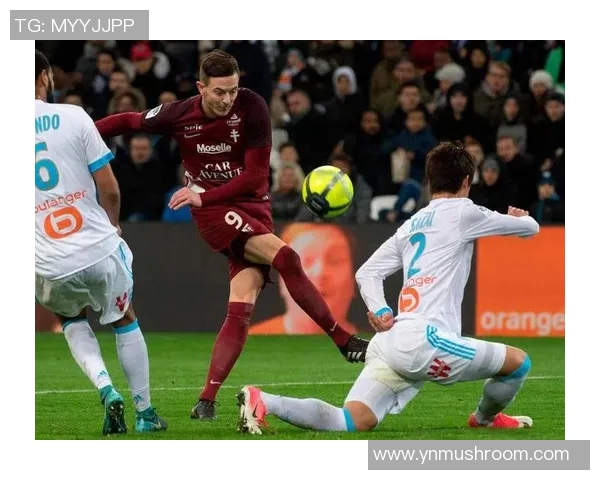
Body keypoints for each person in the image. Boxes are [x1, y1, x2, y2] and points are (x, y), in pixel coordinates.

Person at [94, 49, 369, 421]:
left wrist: (203, 194)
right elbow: (129, 120)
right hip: (213, 213)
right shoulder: (179, 114)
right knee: (287, 257)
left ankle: (206, 400)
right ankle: (343, 340)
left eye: (233, 90)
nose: (227, 99)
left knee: (241, 306)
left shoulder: (252, 107)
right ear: (201, 88)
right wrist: (80, 132)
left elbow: (255, 176)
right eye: (219, 92)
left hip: (254, 207)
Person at [236, 141, 539, 435]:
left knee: (351, 420)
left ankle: (264, 401)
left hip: (391, 340)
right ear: (466, 181)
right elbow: (530, 228)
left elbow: (368, 273)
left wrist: (381, 310)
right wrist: (518, 219)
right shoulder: (464, 211)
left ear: (429, 181)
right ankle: (485, 420)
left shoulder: (411, 225)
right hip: (426, 340)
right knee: (518, 364)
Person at [34, 50, 167, 436]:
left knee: (71, 319)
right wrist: (113, 227)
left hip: (47, 259)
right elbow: (109, 188)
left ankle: (107, 389)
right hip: (96, 246)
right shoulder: (75, 117)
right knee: (124, 317)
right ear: (44, 77)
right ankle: (145, 413)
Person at [250, 223, 358, 335]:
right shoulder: (253, 338)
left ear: (353, 280)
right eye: (304, 261)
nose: (319, 272)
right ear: (282, 280)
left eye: (335, 260)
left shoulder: (368, 340)